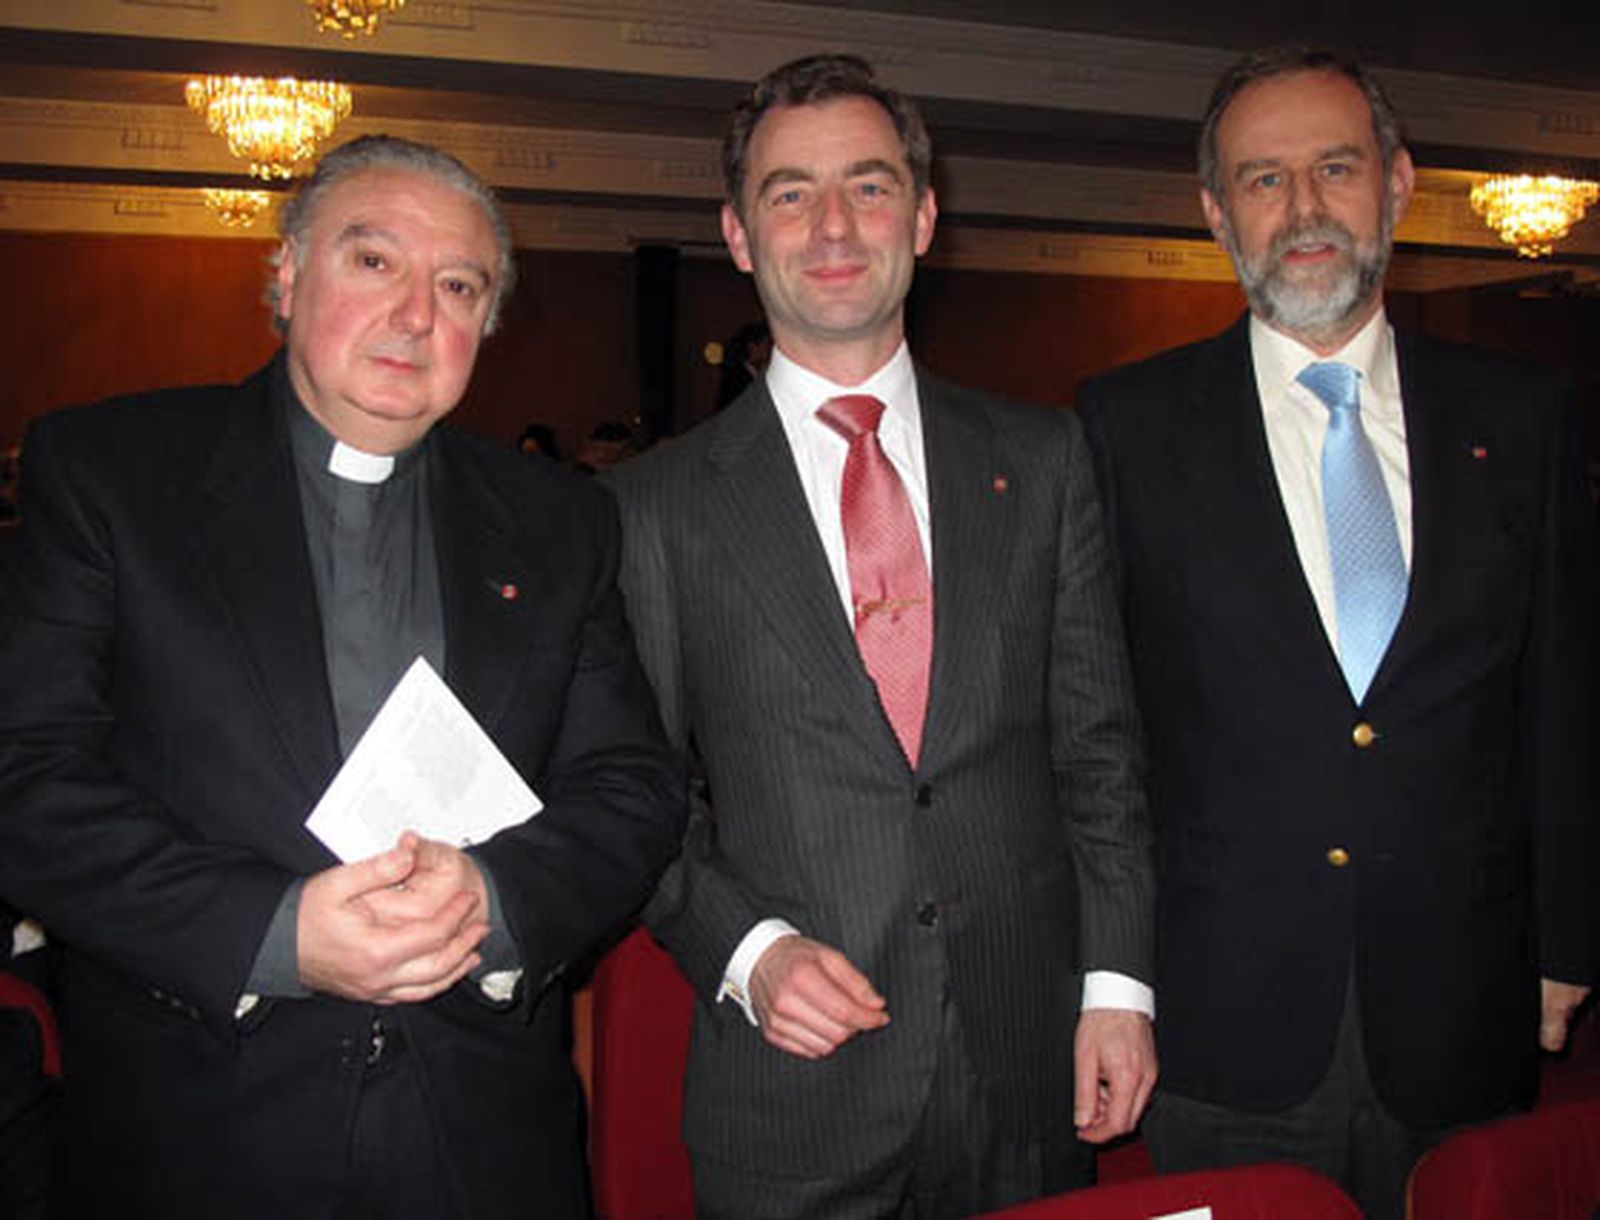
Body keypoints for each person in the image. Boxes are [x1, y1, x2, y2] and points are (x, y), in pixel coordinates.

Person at [0, 134, 685, 1219]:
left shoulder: (561, 520)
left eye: (459, 285)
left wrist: (495, 901)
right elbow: (23, 776)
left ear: (487, 326)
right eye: (375, 261)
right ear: (285, 275)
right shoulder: (112, 474)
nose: (417, 313)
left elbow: (633, 783)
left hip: (482, 1132)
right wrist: (274, 932)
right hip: (196, 1128)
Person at [610, 54, 1155, 1219]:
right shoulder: (653, 506)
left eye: (866, 185)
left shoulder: (1046, 460)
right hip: (794, 1088)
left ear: (923, 213)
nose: (832, 224)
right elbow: (632, 793)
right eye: (788, 193)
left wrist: (1117, 984)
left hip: (1027, 1064)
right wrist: (747, 951)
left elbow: (1097, 752)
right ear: (739, 234)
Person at [1076, 47, 1598, 1219]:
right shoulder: (1124, 426)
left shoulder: (1522, 417)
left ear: (1399, 183)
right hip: (1222, 1002)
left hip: (1467, 985)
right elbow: (1093, 726)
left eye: (1334, 168)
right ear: (1217, 213)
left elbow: (1564, 697)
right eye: (1262, 179)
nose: (1302, 209)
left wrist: (1568, 937)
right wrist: (1108, 972)